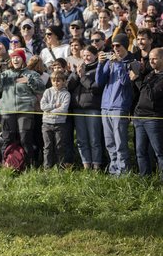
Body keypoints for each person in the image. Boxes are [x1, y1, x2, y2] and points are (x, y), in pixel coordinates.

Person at [0, 48, 45, 168]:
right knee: (7, 138)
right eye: (13, 57)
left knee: (25, 138)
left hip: (25, 111)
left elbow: (41, 88)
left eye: (18, 57)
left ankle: (28, 165)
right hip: (7, 111)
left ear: (23, 59)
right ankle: (5, 164)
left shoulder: (32, 74)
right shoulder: (5, 74)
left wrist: (29, 80)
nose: (15, 59)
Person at [96, 33, 135, 176]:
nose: (115, 48)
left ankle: (124, 172)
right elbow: (99, 82)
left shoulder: (132, 61)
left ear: (125, 45)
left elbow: (126, 82)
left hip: (120, 106)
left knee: (120, 143)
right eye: (113, 46)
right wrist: (100, 64)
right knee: (109, 143)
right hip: (105, 106)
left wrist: (118, 63)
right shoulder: (109, 61)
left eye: (118, 45)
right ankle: (114, 171)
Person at [67, 45, 104, 170]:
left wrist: (83, 77)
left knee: (94, 138)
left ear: (95, 56)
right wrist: (76, 74)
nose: (85, 58)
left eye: (88, 55)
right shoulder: (78, 69)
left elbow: (96, 88)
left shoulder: (98, 69)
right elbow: (68, 86)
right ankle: (86, 165)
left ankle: (97, 165)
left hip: (92, 108)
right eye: (83, 56)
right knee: (81, 139)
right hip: (78, 108)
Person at [130, 47, 163, 180]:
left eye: (154, 58)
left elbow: (151, 95)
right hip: (139, 117)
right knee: (140, 152)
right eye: (150, 59)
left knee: (159, 152)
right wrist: (140, 75)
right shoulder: (150, 75)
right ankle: (145, 180)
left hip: (153, 119)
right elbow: (140, 92)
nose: (151, 61)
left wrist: (138, 78)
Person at [40, 71, 71, 169]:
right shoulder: (47, 91)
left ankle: (60, 167)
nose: (56, 83)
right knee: (47, 146)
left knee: (59, 146)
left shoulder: (66, 94)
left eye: (58, 81)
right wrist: (54, 106)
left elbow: (63, 109)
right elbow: (42, 106)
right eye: (54, 81)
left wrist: (50, 111)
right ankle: (47, 168)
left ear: (63, 81)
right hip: (46, 123)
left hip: (60, 123)